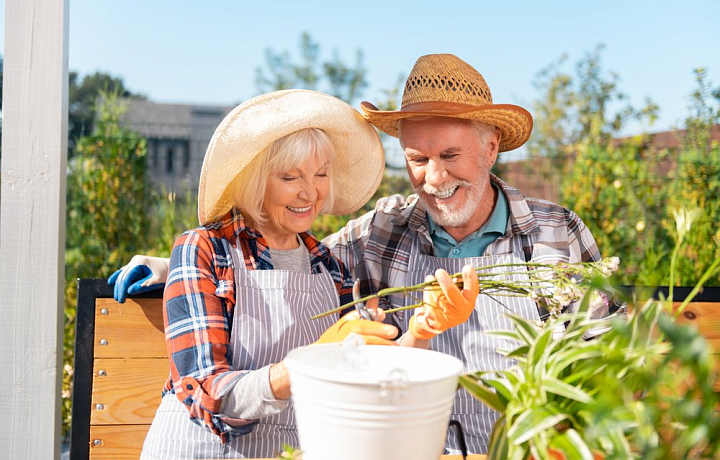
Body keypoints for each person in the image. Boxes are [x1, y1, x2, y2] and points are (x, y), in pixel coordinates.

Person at [111, 54, 606, 454]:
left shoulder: (553, 235)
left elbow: (603, 358)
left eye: (450, 156)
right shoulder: (381, 232)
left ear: (491, 145)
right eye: (418, 159)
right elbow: (266, 257)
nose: (434, 178)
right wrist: (169, 269)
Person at [131, 89, 476, 460]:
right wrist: (312, 361)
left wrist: (421, 332)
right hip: (203, 450)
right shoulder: (206, 249)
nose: (309, 191)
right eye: (289, 176)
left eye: (321, 174)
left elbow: (368, 380)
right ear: (256, 179)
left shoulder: (331, 268)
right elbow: (207, 393)